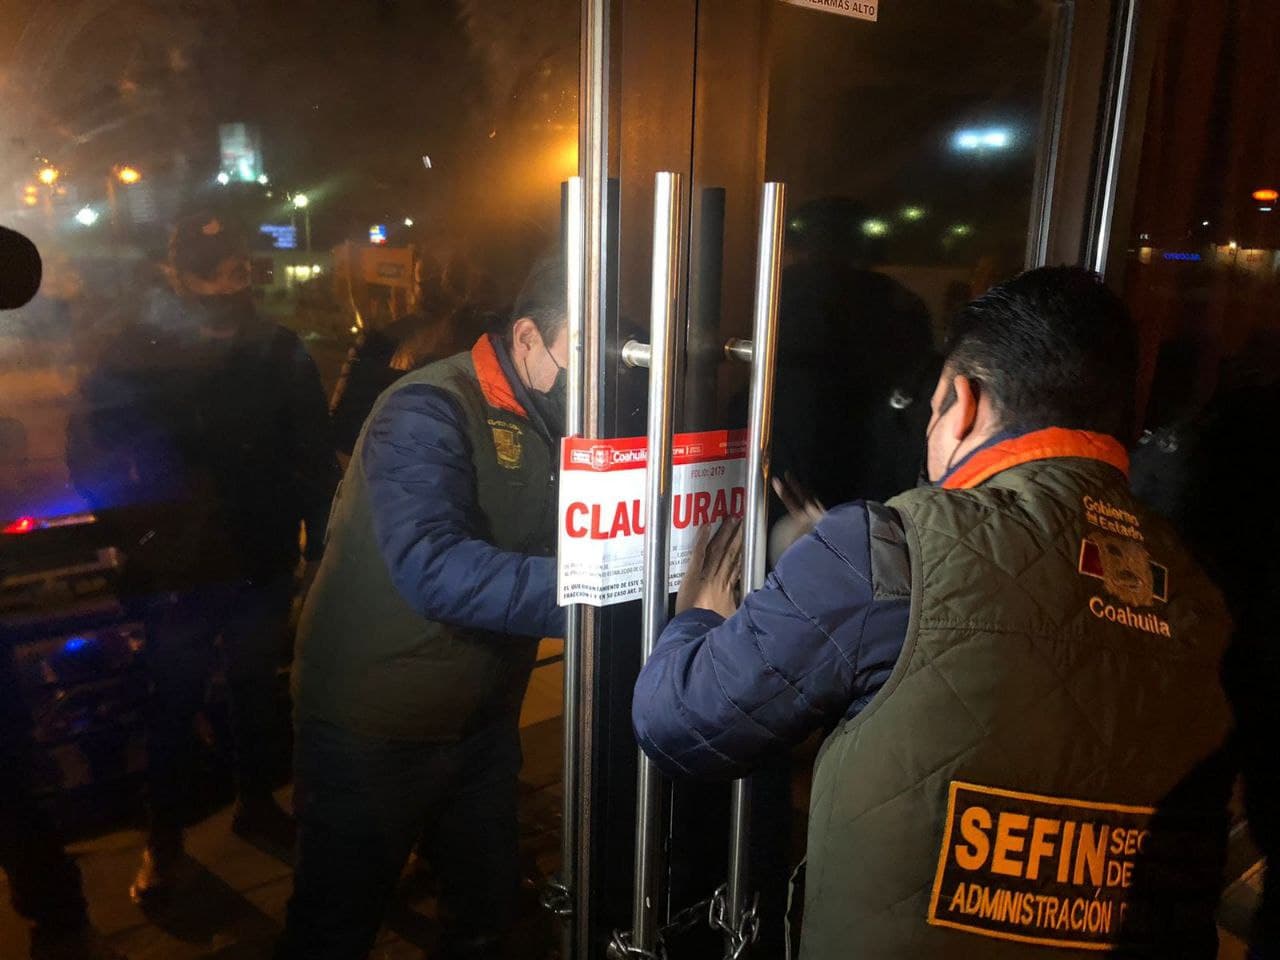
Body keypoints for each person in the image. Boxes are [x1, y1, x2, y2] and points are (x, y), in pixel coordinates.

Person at [633, 267, 1253, 958]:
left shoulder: (888, 548)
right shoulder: (1202, 586)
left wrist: (700, 618)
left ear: (963, 403)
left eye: (932, 410)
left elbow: (679, 720)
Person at [278, 257, 568, 959]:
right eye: (586, 352)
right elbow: (433, 568)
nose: (608, 377)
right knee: (335, 926)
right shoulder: (426, 408)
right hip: (373, 722)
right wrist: (605, 591)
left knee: (485, 915)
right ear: (527, 337)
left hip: (480, 720)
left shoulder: (562, 411)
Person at [65, 213, 339, 902]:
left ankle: (255, 804)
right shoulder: (140, 351)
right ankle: (164, 839)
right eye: (211, 269)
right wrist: (139, 535)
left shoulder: (276, 348)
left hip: (256, 554)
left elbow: (311, 451)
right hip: (178, 568)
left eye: (236, 266)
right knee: (174, 702)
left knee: (255, 690)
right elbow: (91, 452)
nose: (228, 280)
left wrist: (317, 545)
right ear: (178, 274)